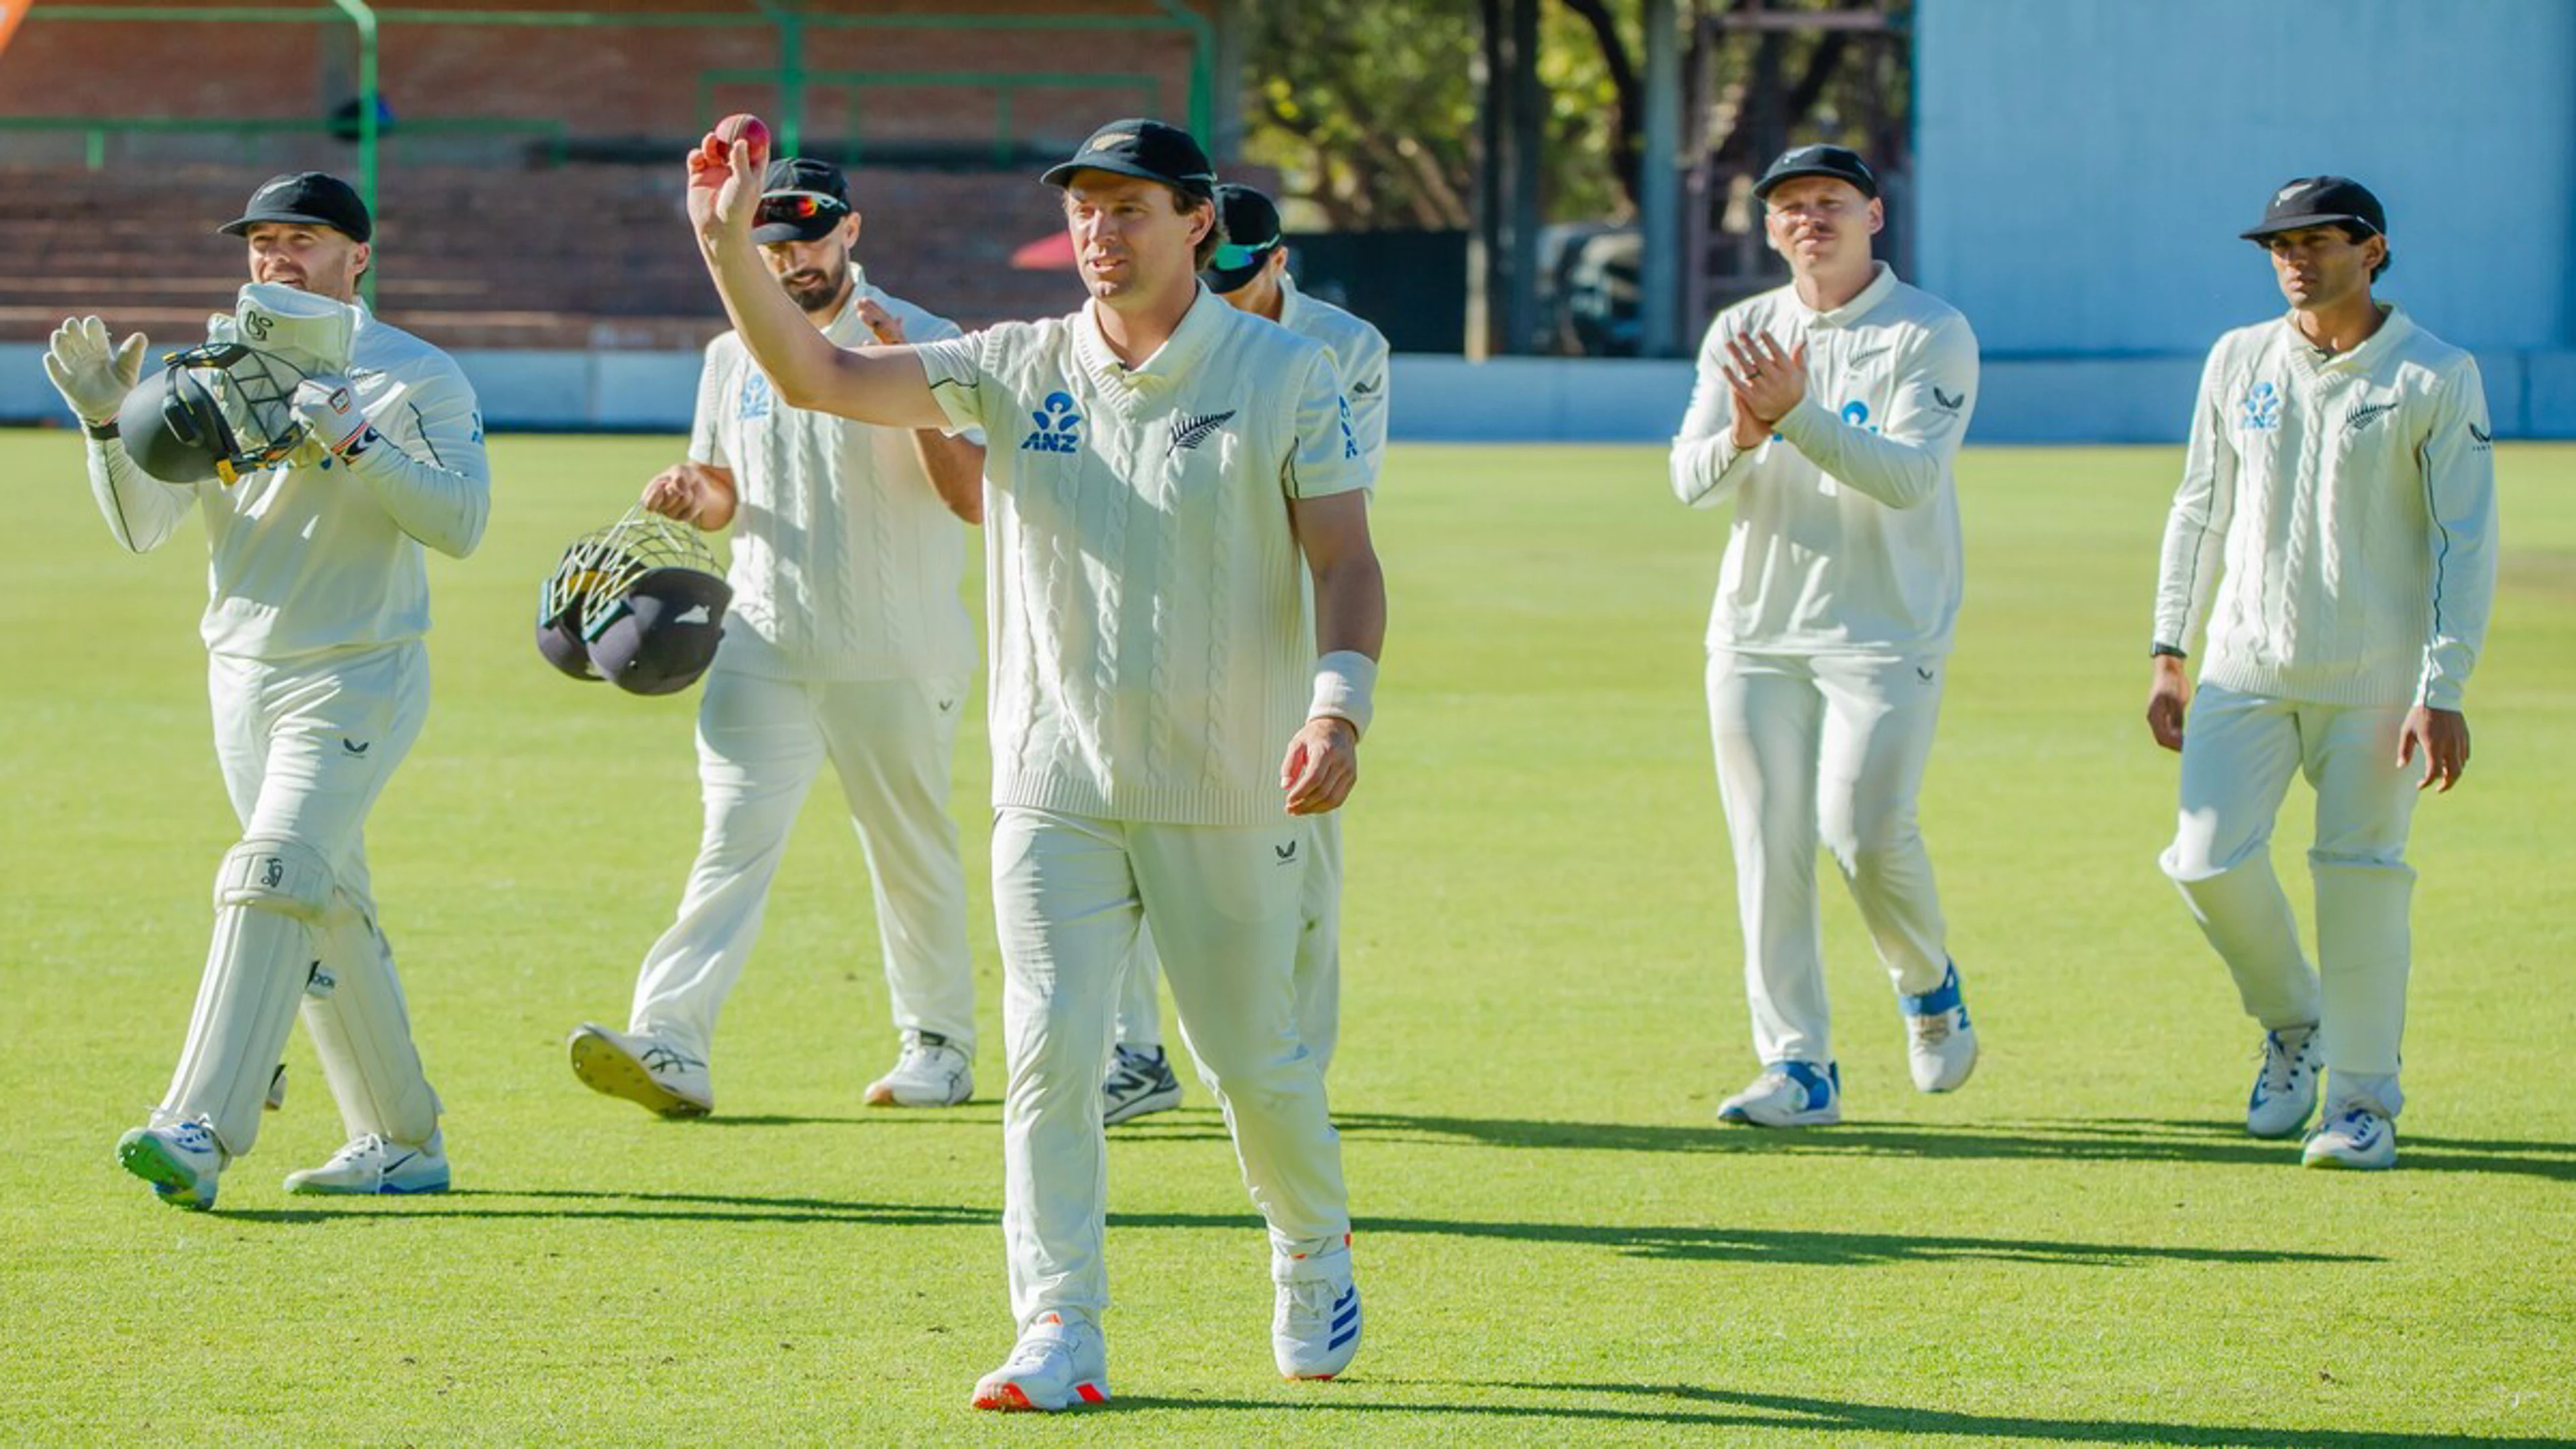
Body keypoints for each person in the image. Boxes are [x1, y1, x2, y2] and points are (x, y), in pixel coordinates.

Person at [684, 115, 1384, 1408]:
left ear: (1196, 224)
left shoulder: (1287, 372)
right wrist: (725, 243)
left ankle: (1308, 1242)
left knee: (1252, 1063)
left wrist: (1337, 707)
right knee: (1050, 1055)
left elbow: (1346, 562)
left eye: (1129, 210)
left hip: (1232, 782)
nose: (1099, 233)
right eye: (1084, 210)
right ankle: (1058, 1323)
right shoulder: (1011, 362)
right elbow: (814, 377)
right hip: (1054, 786)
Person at [48, 171, 490, 1208]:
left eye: (302, 238)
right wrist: (111, 426)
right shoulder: (209, 371)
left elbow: (461, 524)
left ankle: (197, 1126)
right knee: (323, 899)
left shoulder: (414, 375)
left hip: (358, 670)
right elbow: (142, 527)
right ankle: (401, 1137)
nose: (275, 257)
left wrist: (358, 438)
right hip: (239, 672)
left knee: (270, 872)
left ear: (358, 257)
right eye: (261, 241)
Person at [565, 157, 987, 1118]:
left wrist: (906, 380)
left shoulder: (925, 336)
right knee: (730, 841)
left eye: (810, 238)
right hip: (764, 641)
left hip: (901, 645)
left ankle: (940, 1045)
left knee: (907, 847)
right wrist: (688, 492)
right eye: (774, 242)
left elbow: (970, 499)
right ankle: (671, 1041)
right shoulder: (731, 355)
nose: (793, 259)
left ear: (853, 231)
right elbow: (724, 494)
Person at [2147, 176, 2496, 1171]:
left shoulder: (2434, 374)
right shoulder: (2238, 358)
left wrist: (2445, 687)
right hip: (2244, 667)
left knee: (2361, 882)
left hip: (2379, 684)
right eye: (2278, 246)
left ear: (2373, 249)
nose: (2294, 261)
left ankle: (2360, 1105)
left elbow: (2463, 544)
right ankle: (2294, 1020)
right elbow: (2197, 508)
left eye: (2317, 243)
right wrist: (2170, 650)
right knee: (2205, 860)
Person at [1667, 144, 1981, 1128]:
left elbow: (1906, 478)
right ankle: (1798, 1065)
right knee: (1769, 847)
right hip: (1756, 630)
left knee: (1866, 834)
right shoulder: (1742, 328)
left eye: (1832, 202)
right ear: (1768, 228)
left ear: (1873, 217)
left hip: (1885, 627)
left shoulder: (1930, 330)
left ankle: (1929, 987)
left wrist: (1794, 415)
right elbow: (1687, 478)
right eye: (1791, 206)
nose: (1812, 219)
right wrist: (1747, 435)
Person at [1103, 181, 1391, 1124]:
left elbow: (1330, 503)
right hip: (1153, 623)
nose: (1217, 294)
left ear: (1279, 263)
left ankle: (1296, 1066)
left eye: (1237, 275)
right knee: (1125, 839)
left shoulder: (1342, 348)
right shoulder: (1156, 328)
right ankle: (1134, 1055)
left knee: (1299, 869)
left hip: (1276, 627)